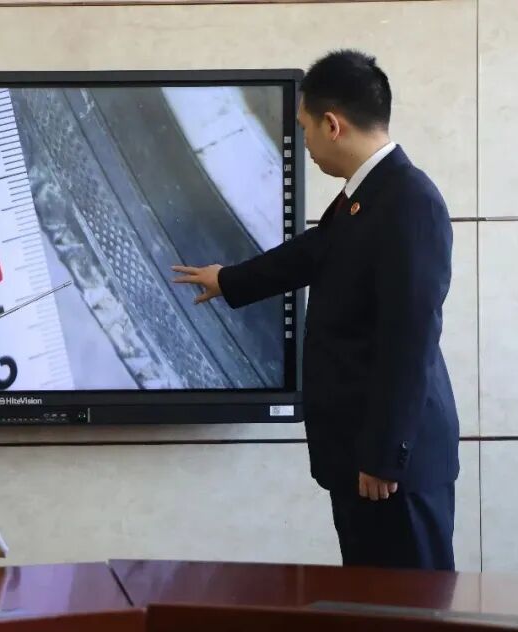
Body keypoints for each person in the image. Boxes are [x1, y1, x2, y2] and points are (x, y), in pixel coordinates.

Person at [172, 50, 459, 570]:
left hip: (393, 469)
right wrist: (228, 279)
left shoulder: (410, 202)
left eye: (304, 129)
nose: (304, 144)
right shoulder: (366, 196)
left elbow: (410, 340)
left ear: (332, 125)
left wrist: (383, 456)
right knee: (371, 605)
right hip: (360, 458)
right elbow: (315, 252)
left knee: (415, 611)